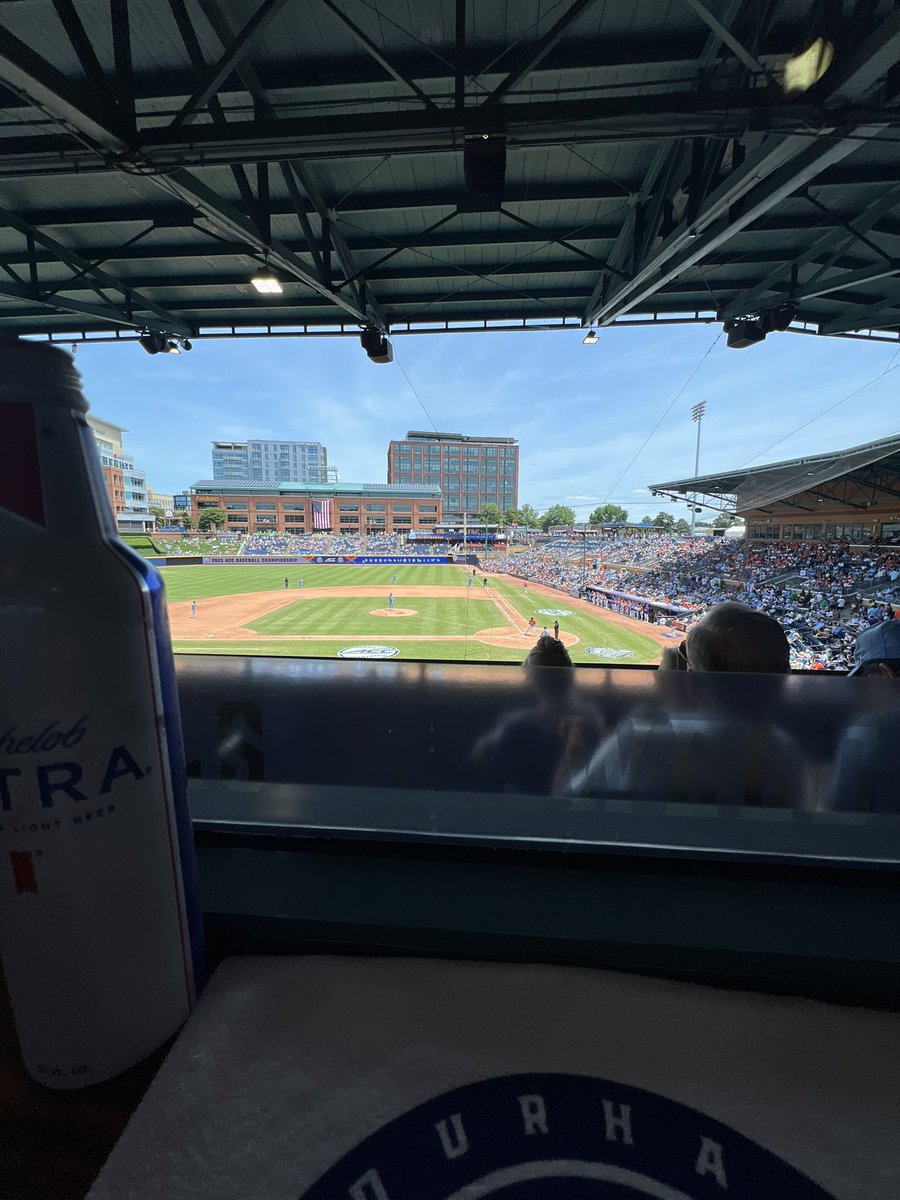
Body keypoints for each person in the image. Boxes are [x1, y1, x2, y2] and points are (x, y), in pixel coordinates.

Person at [569, 602, 812, 809]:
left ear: (694, 679)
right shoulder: (784, 752)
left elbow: (567, 806)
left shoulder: (641, 739)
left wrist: (574, 754)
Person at [471, 636, 604, 795]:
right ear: (570, 675)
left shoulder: (517, 725)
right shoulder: (592, 717)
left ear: (532, 681)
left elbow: (483, 768)